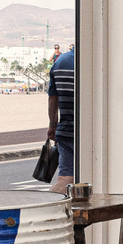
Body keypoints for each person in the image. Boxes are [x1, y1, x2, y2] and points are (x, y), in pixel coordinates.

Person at [45, 45, 75, 193]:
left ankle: (48, 210)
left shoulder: (60, 61)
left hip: (65, 130)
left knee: (65, 178)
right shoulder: (95, 62)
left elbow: (53, 98)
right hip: (88, 134)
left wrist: (53, 124)